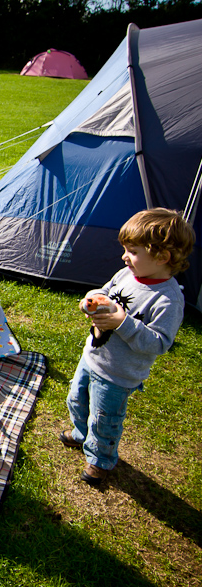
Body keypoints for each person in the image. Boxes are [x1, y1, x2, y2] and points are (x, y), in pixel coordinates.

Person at [58, 208, 196, 485]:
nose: (124, 256)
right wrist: (92, 299)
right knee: (76, 398)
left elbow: (159, 344)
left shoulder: (168, 300)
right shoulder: (126, 274)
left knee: (105, 419)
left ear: (162, 257)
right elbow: (104, 292)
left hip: (118, 374)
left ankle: (101, 459)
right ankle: (81, 432)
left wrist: (123, 322)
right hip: (93, 356)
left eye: (132, 251)